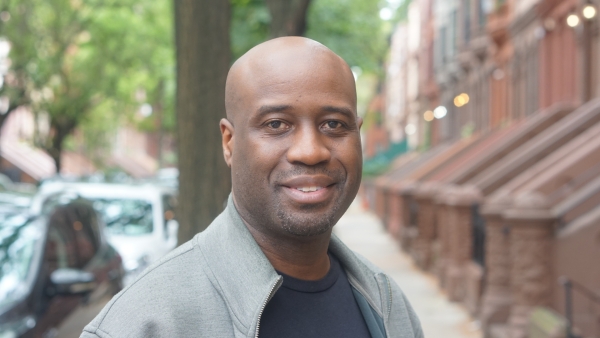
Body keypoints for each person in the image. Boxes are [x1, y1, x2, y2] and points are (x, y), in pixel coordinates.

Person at [80, 37, 423, 338]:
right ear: (229, 143)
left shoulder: (388, 306)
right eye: (277, 124)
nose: (311, 151)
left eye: (333, 124)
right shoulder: (144, 323)